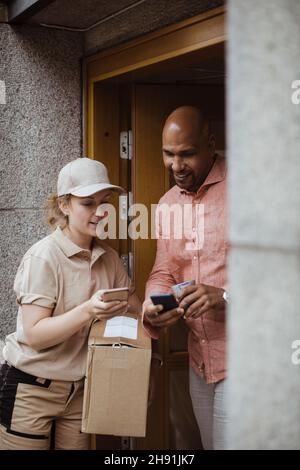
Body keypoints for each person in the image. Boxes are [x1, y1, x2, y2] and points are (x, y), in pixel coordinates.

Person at [0, 157, 145, 450]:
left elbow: (136, 313)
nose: (100, 211)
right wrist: (89, 310)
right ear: (64, 206)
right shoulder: (44, 257)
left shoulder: (110, 258)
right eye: (88, 203)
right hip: (31, 388)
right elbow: (34, 335)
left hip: (81, 391)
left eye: (105, 202)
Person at [143, 106, 228, 450]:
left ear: (210, 144)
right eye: (168, 154)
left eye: (187, 154)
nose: (176, 166)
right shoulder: (166, 205)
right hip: (198, 361)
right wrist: (152, 303)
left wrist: (225, 296)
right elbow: (164, 269)